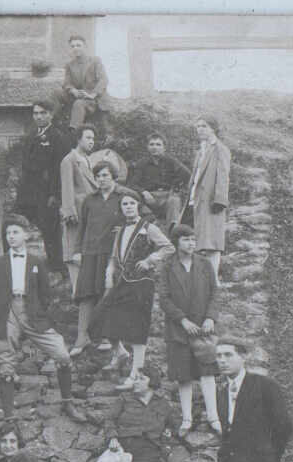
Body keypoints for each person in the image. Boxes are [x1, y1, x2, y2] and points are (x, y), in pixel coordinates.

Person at [0, 215, 88, 422]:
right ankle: (9, 417)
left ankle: (68, 403)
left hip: (33, 313)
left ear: (25, 235)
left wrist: (42, 316)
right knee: (6, 363)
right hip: (7, 313)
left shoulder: (37, 261)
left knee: (62, 355)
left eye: (15, 232)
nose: (11, 237)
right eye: (8, 233)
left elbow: (46, 294)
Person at [92, 193, 174, 386]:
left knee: (138, 328)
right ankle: (120, 353)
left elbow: (169, 248)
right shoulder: (120, 230)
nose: (128, 207)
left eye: (132, 203)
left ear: (138, 206)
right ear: (121, 207)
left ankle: (136, 373)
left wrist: (149, 260)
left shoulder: (148, 228)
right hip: (120, 281)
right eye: (124, 204)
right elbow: (113, 257)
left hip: (141, 282)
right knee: (100, 317)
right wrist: (108, 275)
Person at [156, 224, 221, 436]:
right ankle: (186, 419)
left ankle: (213, 417)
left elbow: (214, 293)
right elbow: (164, 299)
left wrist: (210, 318)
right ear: (176, 242)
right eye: (186, 240)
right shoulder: (167, 266)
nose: (191, 243)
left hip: (203, 329)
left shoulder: (204, 264)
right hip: (178, 331)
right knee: (183, 376)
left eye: (193, 239)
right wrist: (182, 320)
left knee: (207, 373)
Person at [70, 161, 129, 355]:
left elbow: (143, 218)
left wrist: (125, 229)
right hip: (90, 251)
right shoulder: (89, 200)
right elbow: (82, 227)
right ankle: (82, 336)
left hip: (112, 253)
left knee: (107, 292)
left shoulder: (125, 196)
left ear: (113, 176)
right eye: (98, 176)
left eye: (105, 175)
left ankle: (106, 336)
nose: (101, 179)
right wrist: (77, 250)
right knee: (85, 292)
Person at [16, 100, 72, 270]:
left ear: (50, 115)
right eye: (36, 113)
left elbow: (59, 168)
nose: (39, 116)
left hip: (47, 193)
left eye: (43, 113)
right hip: (29, 192)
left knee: (51, 232)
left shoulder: (58, 138)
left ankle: (56, 268)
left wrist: (55, 195)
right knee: (25, 225)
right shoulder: (32, 134)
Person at [186, 116, 231, 283]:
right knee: (199, 238)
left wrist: (220, 200)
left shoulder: (220, 149)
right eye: (197, 126)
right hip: (196, 198)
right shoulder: (201, 150)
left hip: (211, 200)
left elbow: (223, 175)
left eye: (204, 126)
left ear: (213, 128)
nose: (200, 129)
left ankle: (213, 280)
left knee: (212, 240)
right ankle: (200, 278)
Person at [57, 124, 98, 284]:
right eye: (88, 138)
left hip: (90, 212)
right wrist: (69, 212)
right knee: (74, 249)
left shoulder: (88, 159)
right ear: (78, 139)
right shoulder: (69, 160)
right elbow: (66, 187)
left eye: (93, 139)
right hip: (77, 212)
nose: (91, 142)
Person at [129, 133, 191, 234]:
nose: (155, 147)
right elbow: (132, 184)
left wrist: (176, 187)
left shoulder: (171, 161)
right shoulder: (142, 163)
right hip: (149, 197)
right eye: (152, 144)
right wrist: (144, 192)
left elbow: (187, 175)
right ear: (147, 147)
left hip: (167, 196)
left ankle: (172, 233)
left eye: (158, 144)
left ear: (164, 148)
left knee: (174, 200)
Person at [59, 35, 108, 134]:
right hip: (77, 95)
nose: (75, 48)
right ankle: (49, 120)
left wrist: (92, 94)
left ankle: (73, 132)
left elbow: (103, 80)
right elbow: (66, 83)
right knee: (56, 92)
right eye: (72, 46)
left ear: (85, 46)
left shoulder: (95, 61)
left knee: (78, 104)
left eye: (78, 45)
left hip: (92, 99)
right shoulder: (69, 64)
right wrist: (73, 90)